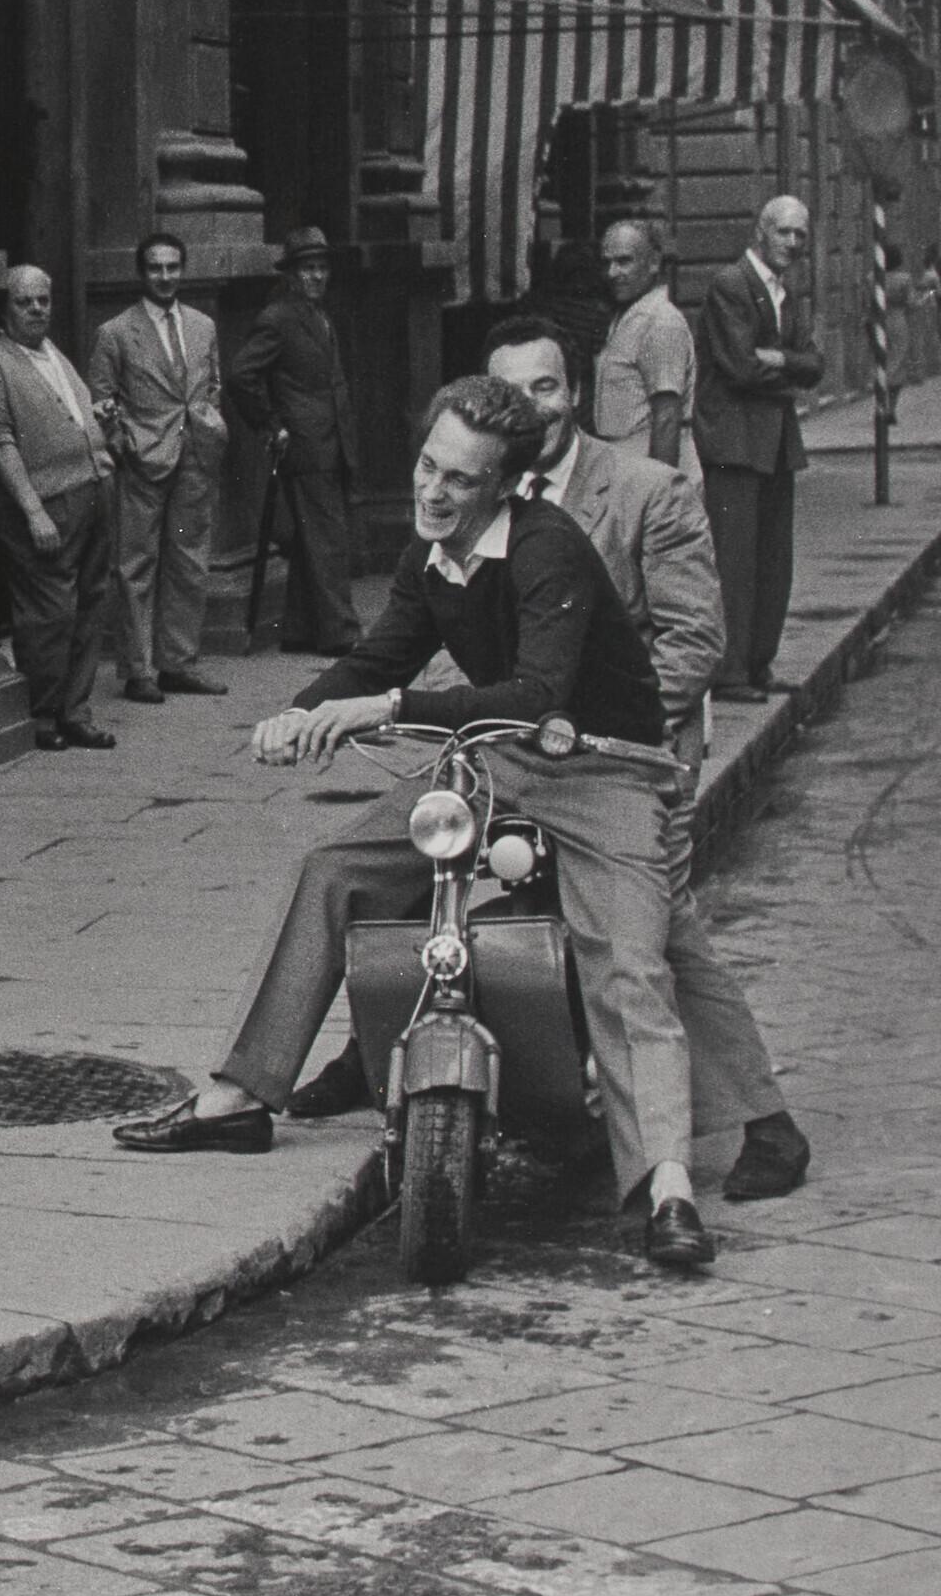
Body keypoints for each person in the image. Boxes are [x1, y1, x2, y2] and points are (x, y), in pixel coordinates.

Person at [112, 376, 722, 1271]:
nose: (433, 492)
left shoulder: (548, 548)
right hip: (496, 762)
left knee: (630, 964)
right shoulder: (430, 555)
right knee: (335, 868)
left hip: (602, 769)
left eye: (460, 481)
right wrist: (303, 710)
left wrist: (385, 707)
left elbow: (536, 693)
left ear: (506, 487)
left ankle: (666, 1187)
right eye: (428, 467)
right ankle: (242, 1094)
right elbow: (380, 654)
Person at [288, 321, 809, 1203]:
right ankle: (368, 1052)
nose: (527, 404)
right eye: (506, 390)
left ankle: (762, 1125)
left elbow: (691, 642)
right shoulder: (468, 502)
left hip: (620, 751)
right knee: (407, 857)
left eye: (544, 387)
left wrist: (601, 741)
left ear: (574, 395)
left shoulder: (645, 489)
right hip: (511, 744)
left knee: (652, 940)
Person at [88, 233, 230, 704]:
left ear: (182, 270)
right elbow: (101, 399)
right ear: (141, 273)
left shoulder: (203, 326)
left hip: (195, 456)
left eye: (172, 267)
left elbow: (211, 385)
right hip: (143, 459)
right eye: (155, 268)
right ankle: (139, 670)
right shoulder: (116, 332)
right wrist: (124, 442)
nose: (165, 277)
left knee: (190, 562)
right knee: (136, 565)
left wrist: (209, 424)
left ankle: (179, 663)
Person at [0, 266, 119, 752]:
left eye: (43, 300)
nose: (38, 309)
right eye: (25, 302)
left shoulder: (51, 350)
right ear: (5, 308)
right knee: (48, 611)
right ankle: (43, 713)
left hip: (94, 487)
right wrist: (33, 510)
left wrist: (96, 419)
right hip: (47, 503)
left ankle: (75, 711)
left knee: (90, 602)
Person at [697, 195, 824, 701]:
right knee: (735, 560)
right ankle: (729, 673)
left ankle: (757, 665)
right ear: (760, 231)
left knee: (774, 559)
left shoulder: (784, 292)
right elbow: (740, 367)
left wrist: (782, 361)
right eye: (784, 232)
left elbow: (816, 366)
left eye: (800, 235)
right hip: (733, 443)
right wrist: (790, 369)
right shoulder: (732, 284)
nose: (793, 243)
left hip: (772, 444)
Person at [230, 226, 361, 655]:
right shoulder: (279, 317)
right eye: (308, 269)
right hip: (305, 444)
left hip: (330, 438)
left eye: (322, 268)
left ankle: (301, 631)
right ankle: (341, 633)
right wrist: (271, 424)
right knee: (327, 539)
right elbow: (240, 376)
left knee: (312, 540)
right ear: (291, 274)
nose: (317, 277)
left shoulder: (317, 313)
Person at [591, 219, 694, 473]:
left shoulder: (661, 322)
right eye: (607, 262)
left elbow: (667, 416)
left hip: (646, 467)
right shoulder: (629, 314)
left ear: (654, 263)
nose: (612, 272)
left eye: (624, 261)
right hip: (622, 464)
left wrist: (659, 495)